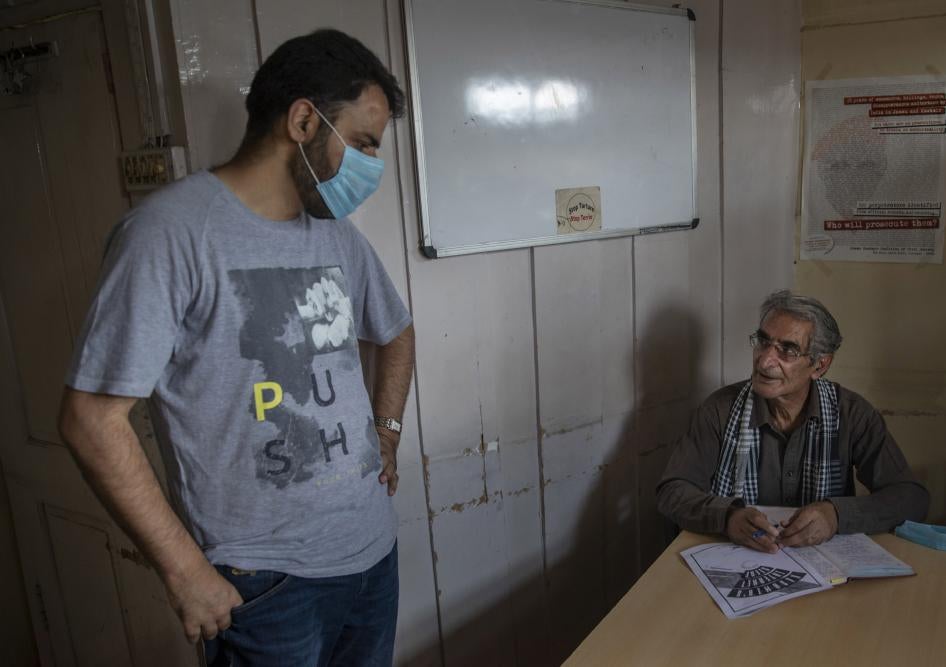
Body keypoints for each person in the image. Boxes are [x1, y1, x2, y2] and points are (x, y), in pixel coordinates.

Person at [57, 28, 414, 665]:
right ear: (303, 121)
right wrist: (184, 570)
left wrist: (385, 431)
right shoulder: (169, 234)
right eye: (363, 143)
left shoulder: (336, 236)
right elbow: (91, 420)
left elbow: (396, 333)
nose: (371, 166)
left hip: (371, 556)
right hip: (265, 585)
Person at [657, 290, 928, 554]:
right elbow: (672, 491)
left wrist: (836, 515)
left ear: (820, 366)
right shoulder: (720, 410)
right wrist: (727, 517)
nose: (765, 361)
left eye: (788, 350)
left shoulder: (851, 414)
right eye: (763, 341)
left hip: (825, 566)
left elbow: (911, 498)